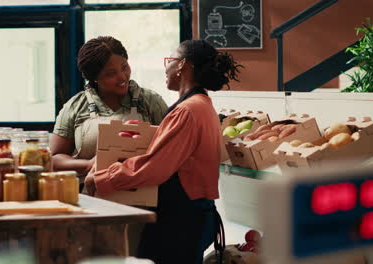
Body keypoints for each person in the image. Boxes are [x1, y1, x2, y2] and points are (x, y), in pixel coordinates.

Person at [85, 39, 242, 264]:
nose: (165, 67)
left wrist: (102, 177)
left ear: (182, 65)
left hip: (181, 221)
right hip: (194, 216)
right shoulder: (201, 105)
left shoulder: (187, 111)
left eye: (170, 60)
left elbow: (154, 168)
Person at [50, 36, 168, 181]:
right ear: (94, 78)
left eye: (124, 67)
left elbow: (170, 149)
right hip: (89, 197)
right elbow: (54, 158)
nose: (122, 77)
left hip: (141, 196)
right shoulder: (75, 106)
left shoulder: (150, 101)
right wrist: (88, 165)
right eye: (111, 74)